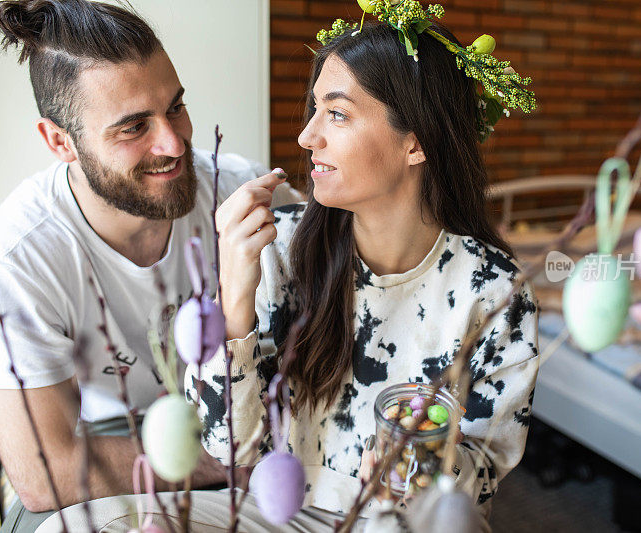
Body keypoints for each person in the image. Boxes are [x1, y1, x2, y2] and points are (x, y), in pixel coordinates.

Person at [187, 17, 540, 523]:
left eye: (336, 114)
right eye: (315, 110)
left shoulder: (495, 294)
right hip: (278, 511)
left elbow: (482, 473)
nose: (308, 136)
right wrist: (234, 297)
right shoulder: (275, 251)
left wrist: (424, 469)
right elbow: (227, 447)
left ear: (415, 143)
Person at [0, 0, 301, 530]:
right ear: (61, 141)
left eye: (175, 107)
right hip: (113, 436)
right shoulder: (17, 256)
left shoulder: (239, 192)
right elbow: (41, 471)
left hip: (241, 411)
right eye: (132, 128)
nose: (173, 143)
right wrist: (226, 459)